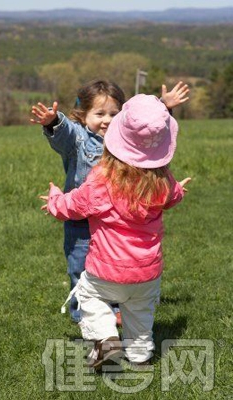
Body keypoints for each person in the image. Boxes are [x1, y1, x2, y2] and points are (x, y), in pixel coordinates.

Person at [40, 94, 191, 370]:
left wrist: (54, 200)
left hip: (106, 271)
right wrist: (179, 188)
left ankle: (106, 340)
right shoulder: (162, 181)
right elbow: (172, 195)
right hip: (147, 272)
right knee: (140, 314)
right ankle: (141, 356)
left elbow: (73, 206)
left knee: (90, 297)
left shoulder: (102, 179)